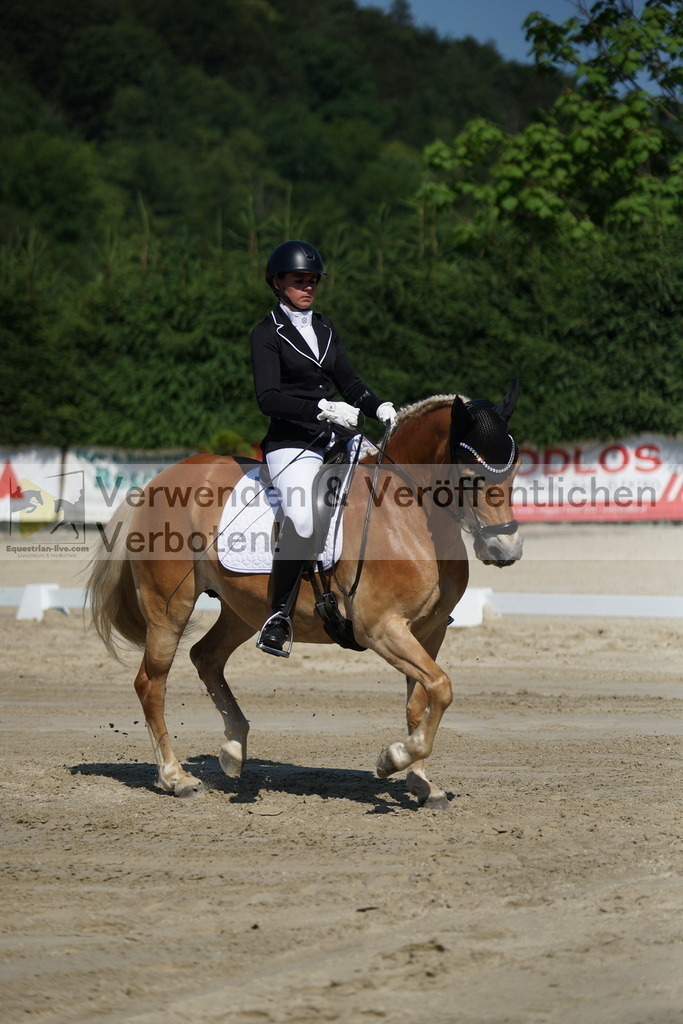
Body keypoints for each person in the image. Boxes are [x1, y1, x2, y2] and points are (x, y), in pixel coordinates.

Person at [251, 239, 396, 657]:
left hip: (337, 437)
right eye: (299, 281)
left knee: (390, 486)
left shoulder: (326, 328)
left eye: (312, 281)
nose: (308, 288)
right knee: (300, 515)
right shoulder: (266, 334)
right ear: (277, 283)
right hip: (292, 442)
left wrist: (377, 404)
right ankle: (278, 616)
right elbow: (268, 398)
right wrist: (322, 408)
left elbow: (349, 382)